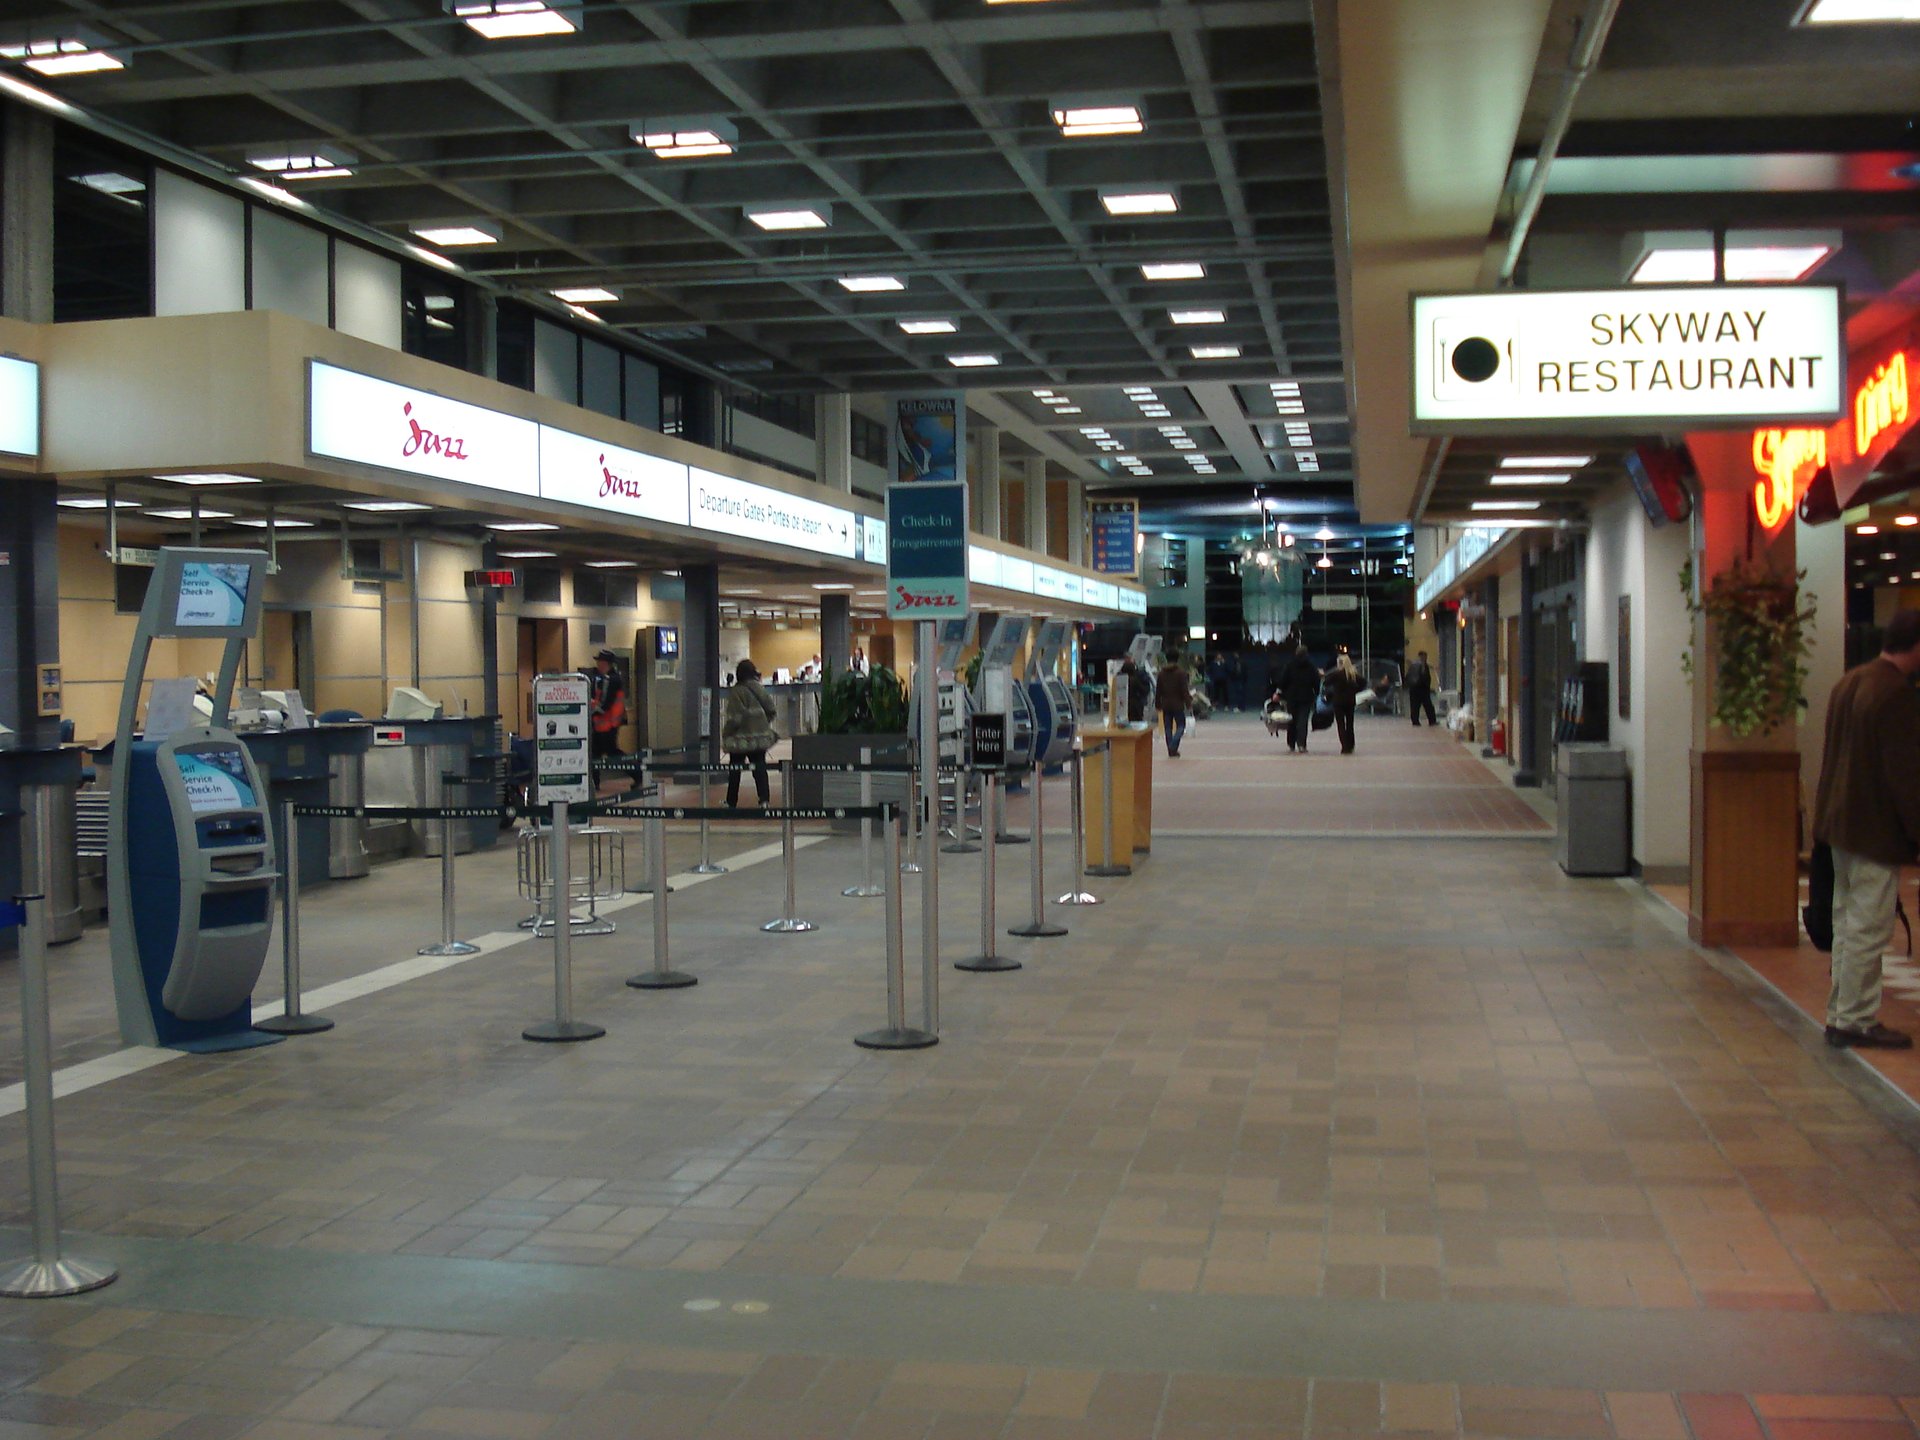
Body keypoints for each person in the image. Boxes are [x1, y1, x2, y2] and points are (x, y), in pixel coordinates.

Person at [1811, 610, 1920, 1050]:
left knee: (1846, 921)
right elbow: (1904, 776)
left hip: (1839, 824)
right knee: (1869, 927)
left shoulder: (1850, 682)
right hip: (1874, 829)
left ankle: (1841, 1011)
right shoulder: (1895, 693)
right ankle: (1855, 1019)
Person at [721, 658, 779, 807]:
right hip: (759, 738)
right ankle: (764, 800)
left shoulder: (736, 691)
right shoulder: (759, 688)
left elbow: (735, 718)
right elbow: (771, 710)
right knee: (760, 769)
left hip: (739, 739)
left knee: (735, 770)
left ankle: (731, 801)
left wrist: (726, 733)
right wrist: (761, 724)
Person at [587, 648, 627, 779]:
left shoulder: (609, 680)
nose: (598, 664)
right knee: (596, 753)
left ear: (605, 663)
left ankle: (637, 772)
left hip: (607, 723)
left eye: (599, 661)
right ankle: (594, 782)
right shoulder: (608, 678)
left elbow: (604, 704)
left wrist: (590, 709)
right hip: (606, 723)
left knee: (611, 752)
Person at [1277, 642, 1320, 754]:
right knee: (1303, 722)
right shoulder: (1311, 667)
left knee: (1291, 721)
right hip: (1306, 697)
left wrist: (1280, 693)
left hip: (1291, 697)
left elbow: (1283, 681)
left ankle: (1291, 743)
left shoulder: (1290, 665)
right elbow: (1316, 682)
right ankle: (1301, 744)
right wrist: (1316, 693)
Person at [1324, 646, 1362, 755]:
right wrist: (1355, 690)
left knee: (1341, 724)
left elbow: (1326, 682)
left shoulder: (1337, 674)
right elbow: (1363, 682)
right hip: (1350, 701)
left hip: (1338, 701)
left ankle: (1344, 746)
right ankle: (1351, 744)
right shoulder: (1353, 674)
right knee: (1350, 723)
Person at [1156, 653, 1192, 757]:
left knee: (1168, 727)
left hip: (1166, 704)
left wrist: (1158, 704)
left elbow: (1158, 690)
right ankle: (1173, 745)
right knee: (1181, 726)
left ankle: (1171, 751)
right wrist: (1188, 703)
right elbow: (1184, 690)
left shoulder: (1161, 673)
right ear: (1177, 659)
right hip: (1178, 704)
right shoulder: (1181, 673)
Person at [1406, 649, 1438, 727]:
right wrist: (1427, 686)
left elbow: (1408, 676)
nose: (1426, 658)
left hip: (1413, 688)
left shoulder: (1413, 664)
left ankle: (1415, 721)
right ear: (1423, 657)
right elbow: (1424, 675)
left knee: (1414, 706)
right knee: (1428, 705)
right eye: (1425, 656)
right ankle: (1432, 721)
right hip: (1422, 688)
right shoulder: (1422, 664)